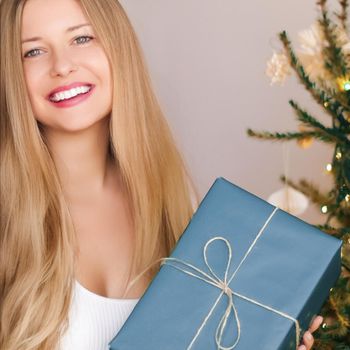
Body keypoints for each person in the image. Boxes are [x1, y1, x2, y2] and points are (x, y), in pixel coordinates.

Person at [0, 0, 323, 349]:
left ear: (118, 46)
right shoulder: (7, 217)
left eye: (81, 39)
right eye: (32, 51)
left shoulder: (175, 198)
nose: (62, 66)